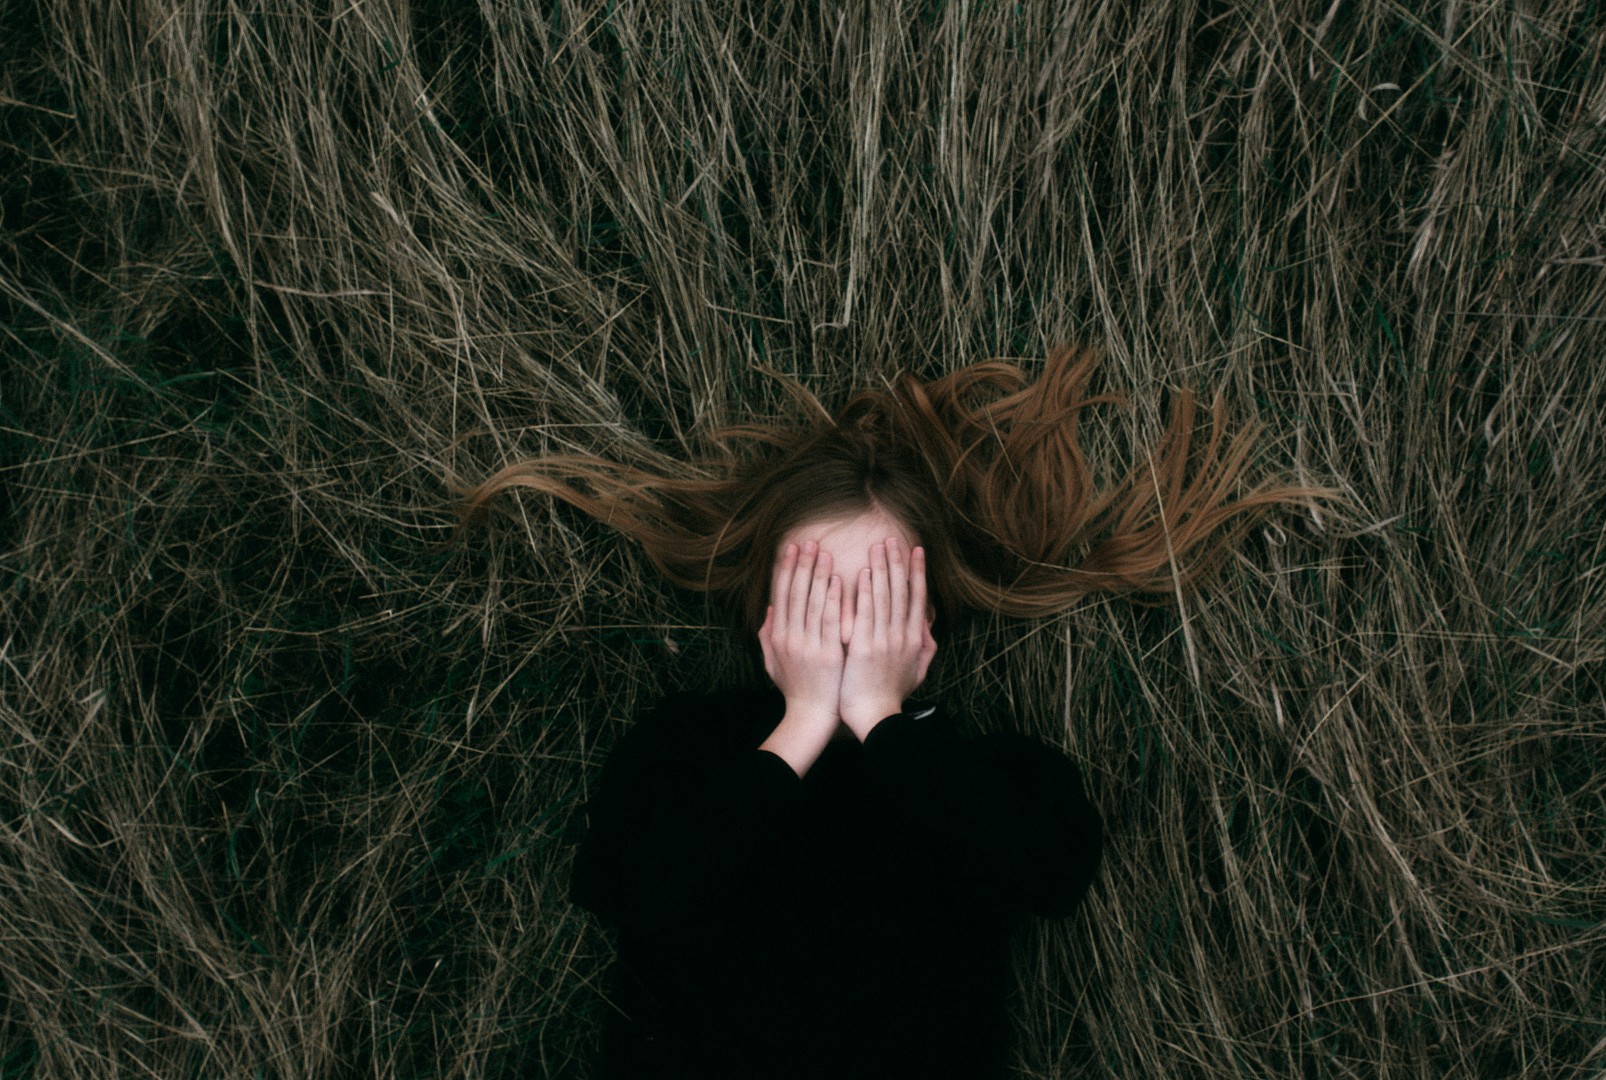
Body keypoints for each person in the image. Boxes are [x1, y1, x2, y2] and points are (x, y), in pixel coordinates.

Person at [450, 345, 1346, 1078]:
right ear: (765, 604)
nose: (844, 627)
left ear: (927, 619)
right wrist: (798, 726)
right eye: (814, 593)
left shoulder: (988, 771)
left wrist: (882, 719)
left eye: (876, 596)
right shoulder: (688, 745)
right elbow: (628, 889)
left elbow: (1047, 874)